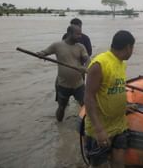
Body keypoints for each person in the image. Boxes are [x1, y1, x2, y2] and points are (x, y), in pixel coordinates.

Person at [84, 30, 135, 168]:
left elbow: (114, 89)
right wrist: (99, 129)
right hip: (101, 128)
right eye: (132, 49)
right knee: (98, 164)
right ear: (128, 47)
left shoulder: (121, 63)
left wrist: (123, 107)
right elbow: (88, 97)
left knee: (119, 163)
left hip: (119, 125)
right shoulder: (99, 64)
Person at [37, 25, 89, 122]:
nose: (80, 36)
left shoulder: (80, 47)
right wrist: (41, 54)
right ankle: (59, 127)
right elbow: (45, 52)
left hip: (79, 84)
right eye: (77, 34)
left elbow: (87, 59)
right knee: (61, 107)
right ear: (69, 33)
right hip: (63, 85)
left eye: (80, 34)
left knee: (86, 106)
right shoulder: (57, 45)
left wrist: (85, 67)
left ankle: (86, 126)